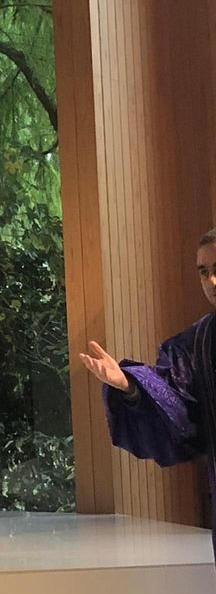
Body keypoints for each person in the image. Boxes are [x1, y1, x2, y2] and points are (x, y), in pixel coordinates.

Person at [80, 227, 216, 554]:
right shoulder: (196, 345)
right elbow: (178, 411)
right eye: (204, 271)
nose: (211, 281)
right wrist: (130, 386)